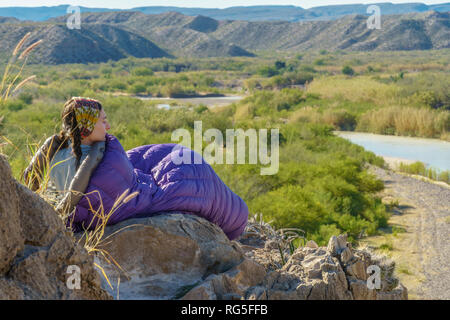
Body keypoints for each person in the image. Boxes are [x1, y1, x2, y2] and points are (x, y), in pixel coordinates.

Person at [24, 97, 249, 240]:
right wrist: (59, 215)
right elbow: (77, 188)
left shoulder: (53, 144)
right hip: (122, 198)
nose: (108, 126)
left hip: (115, 190)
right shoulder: (97, 150)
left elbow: (28, 177)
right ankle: (237, 215)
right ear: (87, 127)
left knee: (171, 157)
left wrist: (28, 206)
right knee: (190, 170)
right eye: (103, 121)